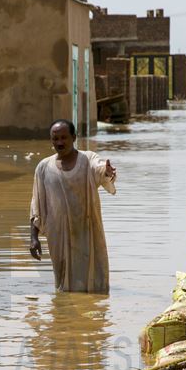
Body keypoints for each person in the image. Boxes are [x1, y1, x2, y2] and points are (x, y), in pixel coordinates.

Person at [29, 119, 117, 293]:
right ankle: (65, 309)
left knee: (95, 281)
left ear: (74, 137)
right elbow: (36, 204)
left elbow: (99, 168)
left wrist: (106, 171)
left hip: (87, 231)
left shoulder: (87, 159)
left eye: (64, 138)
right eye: (55, 139)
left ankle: (93, 308)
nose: (59, 142)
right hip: (58, 236)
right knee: (63, 286)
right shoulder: (43, 168)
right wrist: (34, 238)